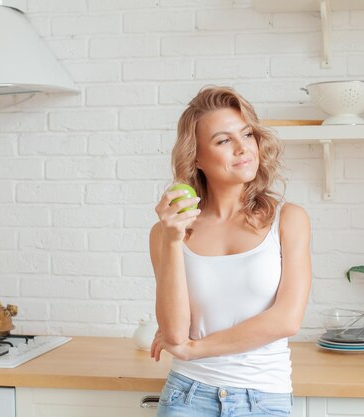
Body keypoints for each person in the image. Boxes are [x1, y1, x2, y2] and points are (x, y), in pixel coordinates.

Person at [148, 85, 311, 417]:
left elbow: (287, 320)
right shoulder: (167, 232)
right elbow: (175, 332)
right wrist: (173, 239)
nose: (243, 148)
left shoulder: (288, 220)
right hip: (187, 396)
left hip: (263, 399)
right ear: (196, 157)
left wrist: (195, 349)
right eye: (223, 141)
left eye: (247, 134)